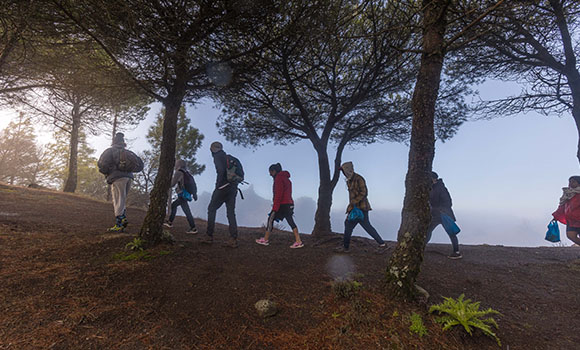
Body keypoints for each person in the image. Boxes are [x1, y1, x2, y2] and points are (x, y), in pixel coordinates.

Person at [335, 161, 386, 253]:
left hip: (361, 207)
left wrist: (354, 202)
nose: (343, 173)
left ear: (348, 170)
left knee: (350, 225)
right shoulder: (349, 180)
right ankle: (382, 244)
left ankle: (345, 248)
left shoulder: (359, 179)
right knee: (365, 226)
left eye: (343, 171)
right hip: (355, 208)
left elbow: (364, 193)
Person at [255, 163, 304, 249]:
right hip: (289, 203)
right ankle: (298, 241)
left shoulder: (278, 178)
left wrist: (275, 207)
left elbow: (279, 194)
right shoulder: (287, 179)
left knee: (270, 219)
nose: (270, 174)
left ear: (274, 171)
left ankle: (265, 239)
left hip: (282, 204)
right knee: (290, 221)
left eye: (270, 172)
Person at [201, 141, 239, 247]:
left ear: (213, 149)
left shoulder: (218, 156)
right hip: (233, 188)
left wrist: (218, 186)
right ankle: (233, 239)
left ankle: (209, 236)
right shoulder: (229, 158)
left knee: (211, 209)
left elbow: (221, 171)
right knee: (231, 212)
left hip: (222, 187)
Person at [97, 133, 133, 232]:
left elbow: (102, 165)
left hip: (117, 178)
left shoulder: (110, 151)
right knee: (122, 199)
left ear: (114, 141)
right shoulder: (126, 152)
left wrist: (107, 172)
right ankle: (123, 219)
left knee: (118, 200)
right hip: (129, 177)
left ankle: (119, 223)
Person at [426, 171, 462, 259]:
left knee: (450, 233)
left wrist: (436, 209)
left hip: (443, 215)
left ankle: (456, 252)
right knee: (428, 231)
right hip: (437, 215)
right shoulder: (434, 187)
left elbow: (448, 202)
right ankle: (456, 252)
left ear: (433, 179)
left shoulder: (440, 188)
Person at [164, 159, 198, 234]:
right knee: (186, 211)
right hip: (186, 194)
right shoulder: (187, 173)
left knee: (174, 205)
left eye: (176, 164)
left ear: (178, 165)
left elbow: (172, 184)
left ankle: (170, 222)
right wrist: (194, 194)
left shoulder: (179, 172)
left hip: (182, 194)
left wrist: (164, 182)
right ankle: (193, 228)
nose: (175, 165)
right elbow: (193, 184)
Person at [552, 175, 580, 246]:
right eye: (569, 182)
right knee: (570, 235)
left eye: (573, 182)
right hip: (571, 220)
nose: (570, 184)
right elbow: (562, 206)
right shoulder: (568, 194)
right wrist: (556, 216)